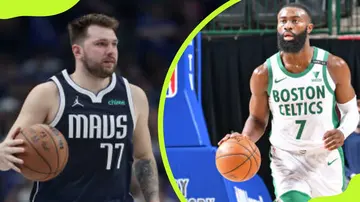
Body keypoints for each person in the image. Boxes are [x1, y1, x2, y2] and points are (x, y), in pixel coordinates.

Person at [0, 13, 160, 202]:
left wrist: (153, 200)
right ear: (77, 51)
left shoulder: (134, 96)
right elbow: (9, 154)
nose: (110, 51)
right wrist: (2, 156)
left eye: (114, 44)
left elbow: (143, 157)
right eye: (101, 44)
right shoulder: (48, 93)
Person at [218, 3, 359, 202]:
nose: (288, 26)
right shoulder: (264, 73)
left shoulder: (333, 66)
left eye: (295, 21)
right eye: (283, 21)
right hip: (287, 159)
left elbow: (351, 111)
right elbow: (257, 119)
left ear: (309, 28)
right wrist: (243, 139)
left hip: (324, 157)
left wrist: (342, 132)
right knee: (293, 198)